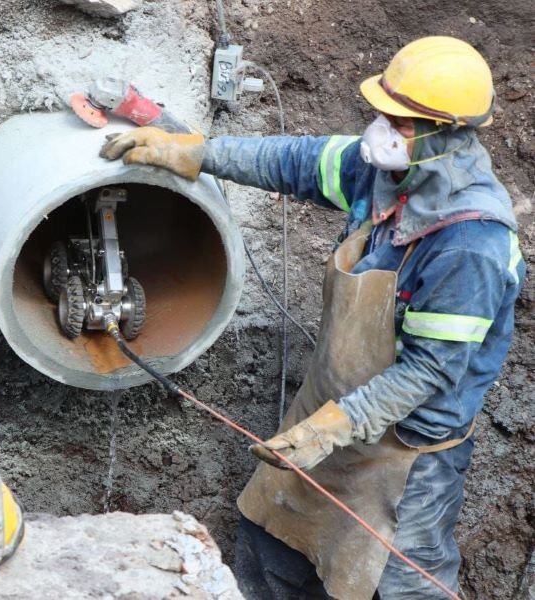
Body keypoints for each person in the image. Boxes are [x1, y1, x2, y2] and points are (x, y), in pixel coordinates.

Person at [100, 36, 525, 599]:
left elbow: (429, 374)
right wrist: (199, 152)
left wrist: (331, 430)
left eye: (399, 121)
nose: (380, 128)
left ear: (446, 135)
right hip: (327, 412)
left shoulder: (469, 244)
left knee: (396, 583)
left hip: (404, 455)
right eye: (383, 113)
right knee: (272, 541)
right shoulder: (385, 174)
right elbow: (294, 161)